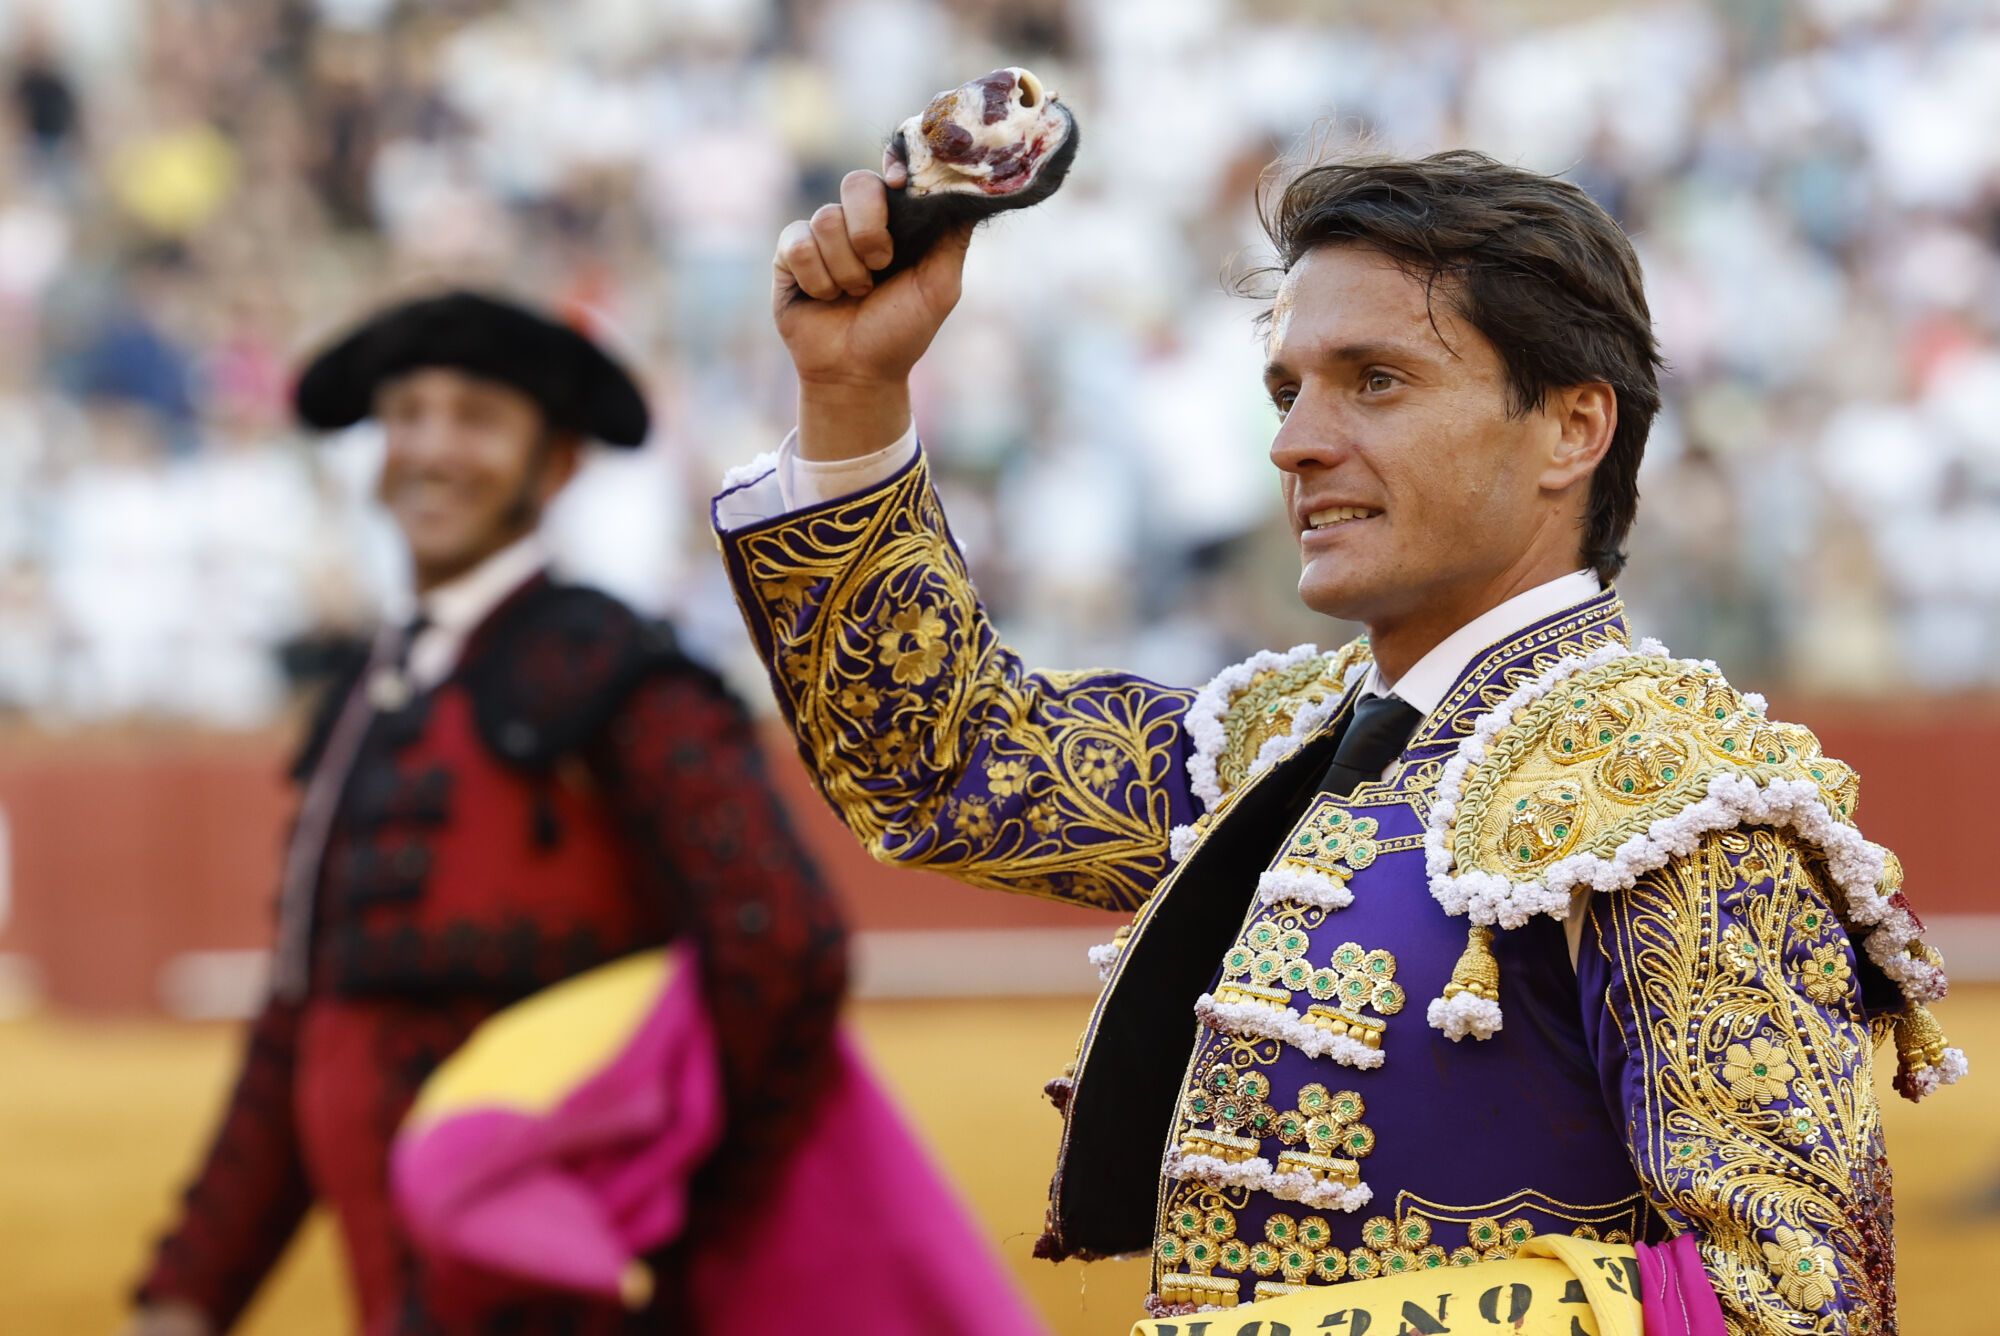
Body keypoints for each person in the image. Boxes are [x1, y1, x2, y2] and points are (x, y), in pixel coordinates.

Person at [711, 149, 1965, 1330]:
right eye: (1286, 388)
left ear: (1572, 429)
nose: (1294, 442)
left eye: (1375, 380)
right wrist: (852, 393)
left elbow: (1792, 1297)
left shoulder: (1674, 800)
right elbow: (951, 764)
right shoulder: (1282, 740)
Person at [127, 290, 850, 1335]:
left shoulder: (613, 671)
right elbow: (303, 1027)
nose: (431, 446)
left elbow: (782, 941)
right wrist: (185, 1299)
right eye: (407, 414)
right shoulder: (362, 702)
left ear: (554, 465)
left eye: (475, 417)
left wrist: (661, 1199)